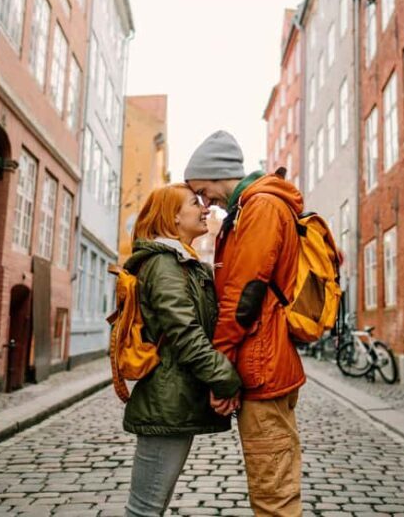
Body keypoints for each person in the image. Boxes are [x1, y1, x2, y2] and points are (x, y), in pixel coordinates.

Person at [185, 130, 305, 516]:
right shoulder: (248, 209)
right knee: (271, 482)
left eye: (202, 190)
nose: (205, 202)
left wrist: (220, 368)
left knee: (274, 491)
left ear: (217, 173)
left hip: (263, 365)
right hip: (262, 360)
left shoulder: (261, 207)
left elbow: (243, 295)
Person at [121, 184, 242, 517]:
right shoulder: (164, 264)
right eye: (195, 203)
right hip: (166, 401)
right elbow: (185, 333)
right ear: (173, 217)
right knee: (144, 509)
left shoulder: (184, 264)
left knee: (151, 506)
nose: (205, 209)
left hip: (176, 399)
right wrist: (225, 379)